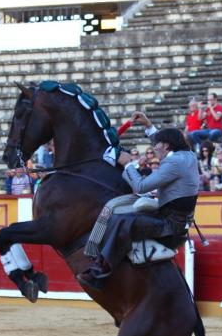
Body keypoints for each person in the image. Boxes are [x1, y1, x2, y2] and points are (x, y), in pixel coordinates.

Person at [77, 111, 199, 290]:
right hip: (178, 217)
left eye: (157, 144)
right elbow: (164, 142)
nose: (154, 148)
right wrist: (148, 126)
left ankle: (100, 271)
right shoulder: (187, 155)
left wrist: (128, 164)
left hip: (169, 223)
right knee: (119, 211)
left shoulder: (172, 163)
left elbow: (141, 187)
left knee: (121, 220)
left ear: (166, 146)